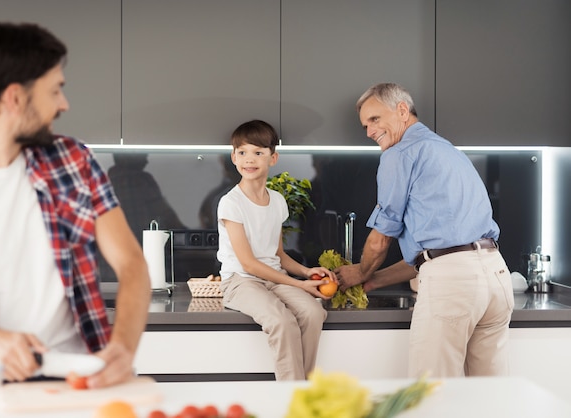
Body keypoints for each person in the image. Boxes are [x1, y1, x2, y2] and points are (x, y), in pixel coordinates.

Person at [0, 19, 151, 388]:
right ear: (15, 98)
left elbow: (132, 264)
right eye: (55, 90)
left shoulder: (73, 160)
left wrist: (122, 347)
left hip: (78, 381)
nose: (64, 104)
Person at [335, 83, 514, 378]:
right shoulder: (448, 151)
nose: (369, 132)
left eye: (375, 119)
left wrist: (360, 272)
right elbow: (433, 256)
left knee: (432, 393)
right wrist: (373, 281)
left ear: (402, 110)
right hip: (496, 278)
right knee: (489, 395)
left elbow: (381, 241)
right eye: (365, 125)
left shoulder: (400, 153)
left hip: (453, 286)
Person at [217, 119, 335, 380]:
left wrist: (306, 272)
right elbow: (248, 263)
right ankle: (291, 397)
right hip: (240, 282)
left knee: (314, 313)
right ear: (233, 156)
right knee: (282, 321)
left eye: (258, 152)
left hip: (272, 277)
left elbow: (278, 255)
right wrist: (299, 285)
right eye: (243, 152)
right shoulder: (231, 203)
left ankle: (300, 391)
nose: (250, 159)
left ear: (273, 158)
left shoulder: (278, 201)